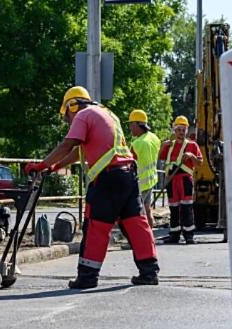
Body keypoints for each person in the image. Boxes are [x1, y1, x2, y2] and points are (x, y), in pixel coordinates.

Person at [24, 86, 159, 289]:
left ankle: (87, 277)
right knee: (136, 224)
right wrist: (53, 167)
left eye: (67, 115)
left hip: (108, 178)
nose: (68, 121)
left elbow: (67, 145)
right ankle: (149, 272)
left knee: (96, 226)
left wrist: (41, 165)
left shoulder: (83, 115)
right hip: (128, 176)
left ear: (72, 105)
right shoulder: (107, 114)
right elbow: (77, 152)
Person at [158, 116, 202, 244]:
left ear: (186, 131)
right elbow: (160, 158)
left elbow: (199, 163)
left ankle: (189, 235)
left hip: (185, 180)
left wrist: (191, 156)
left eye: (183, 130)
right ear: (174, 131)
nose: (181, 133)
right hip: (172, 181)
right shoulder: (169, 145)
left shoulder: (192, 145)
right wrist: (162, 146)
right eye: (178, 130)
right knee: (173, 208)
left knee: (187, 207)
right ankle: (174, 234)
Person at [127, 109, 160, 228]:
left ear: (138, 124)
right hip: (151, 181)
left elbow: (128, 163)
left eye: (131, 124)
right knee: (148, 210)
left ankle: (139, 238)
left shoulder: (137, 144)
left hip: (139, 184)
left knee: (136, 214)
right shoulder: (154, 138)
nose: (130, 127)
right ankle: (151, 237)